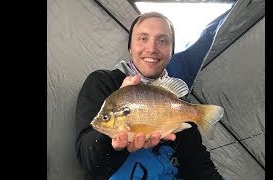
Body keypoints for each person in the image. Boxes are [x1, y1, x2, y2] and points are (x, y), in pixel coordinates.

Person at [75, 11, 223, 180]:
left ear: (171, 52)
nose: (152, 49)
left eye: (162, 41)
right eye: (143, 38)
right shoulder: (103, 81)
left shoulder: (177, 103)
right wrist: (111, 142)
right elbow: (88, 161)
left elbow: (198, 166)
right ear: (130, 47)